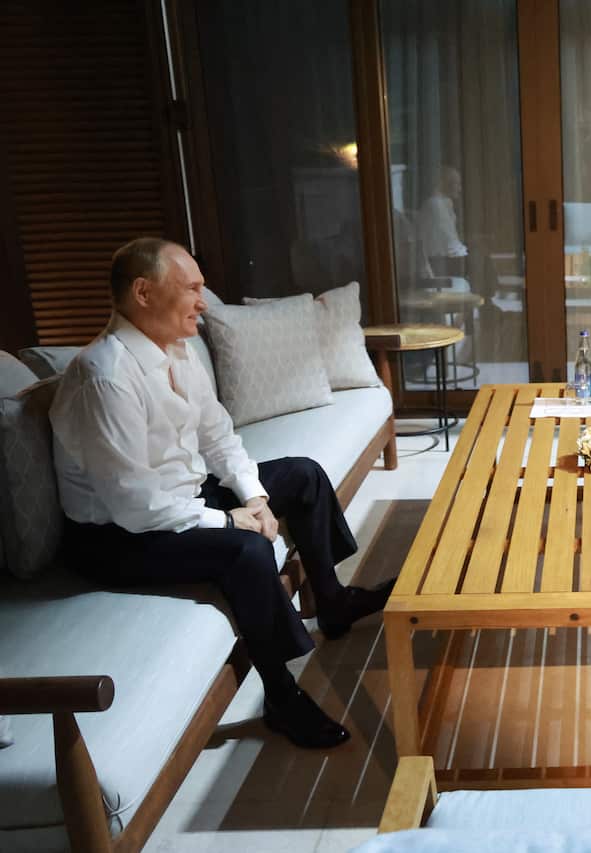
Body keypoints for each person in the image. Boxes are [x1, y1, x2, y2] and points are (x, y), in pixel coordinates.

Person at [50, 237, 394, 750]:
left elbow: (218, 437)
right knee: (246, 550)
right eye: (192, 289)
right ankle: (281, 697)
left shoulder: (178, 351)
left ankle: (334, 600)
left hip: (179, 499)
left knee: (302, 475)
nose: (203, 303)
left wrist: (254, 498)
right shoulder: (105, 378)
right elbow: (134, 504)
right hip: (118, 537)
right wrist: (231, 521)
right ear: (143, 292)